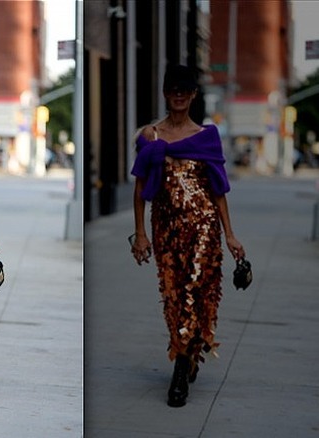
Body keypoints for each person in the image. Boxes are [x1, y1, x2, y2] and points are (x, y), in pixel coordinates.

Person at [130, 64, 246, 408]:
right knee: (173, 294)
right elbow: (139, 188)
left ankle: (180, 369)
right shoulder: (150, 136)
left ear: (194, 95)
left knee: (197, 289)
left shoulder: (206, 137)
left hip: (204, 227)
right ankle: (189, 349)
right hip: (165, 227)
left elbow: (218, 189)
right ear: (166, 94)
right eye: (173, 89)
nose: (179, 95)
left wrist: (230, 235)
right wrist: (139, 233)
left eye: (185, 90)